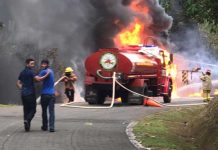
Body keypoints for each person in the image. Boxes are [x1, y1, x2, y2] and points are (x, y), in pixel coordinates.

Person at [17, 58, 48, 132]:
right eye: (31, 64)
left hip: (23, 94)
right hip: (30, 94)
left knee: (26, 109)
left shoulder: (22, 72)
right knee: (33, 110)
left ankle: (27, 127)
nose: (33, 65)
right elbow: (38, 79)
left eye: (33, 63)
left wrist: (22, 88)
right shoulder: (31, 72)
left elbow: (18, 83)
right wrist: (46, 75)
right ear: (27, 64)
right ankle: (27, 120)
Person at [35, 59, 56, 132]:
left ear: (47, 64)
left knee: (44, 111)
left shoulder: (43, 71)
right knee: (51, 112)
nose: (42, 65)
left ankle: (45, 126)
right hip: (52, 94)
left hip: (45, 94)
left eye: (44, 64)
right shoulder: (51, 71)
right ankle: (52, 127)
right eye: (42, 64)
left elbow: (37, 79)